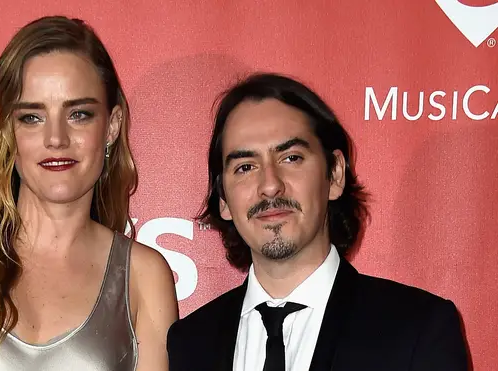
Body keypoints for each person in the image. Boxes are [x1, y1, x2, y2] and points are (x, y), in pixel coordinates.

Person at [0, 16, 178, 371]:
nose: (56, 138)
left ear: (112, 126)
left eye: (79, 114)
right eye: (32, 117)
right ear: (8, 129)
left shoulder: (143, 277)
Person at [166, 73, 469, 371]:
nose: (270, 185)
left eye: (291, 158)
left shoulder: (419, 329)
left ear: (335, 174)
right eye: (246, 167)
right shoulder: (190, 344)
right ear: (223, 199)